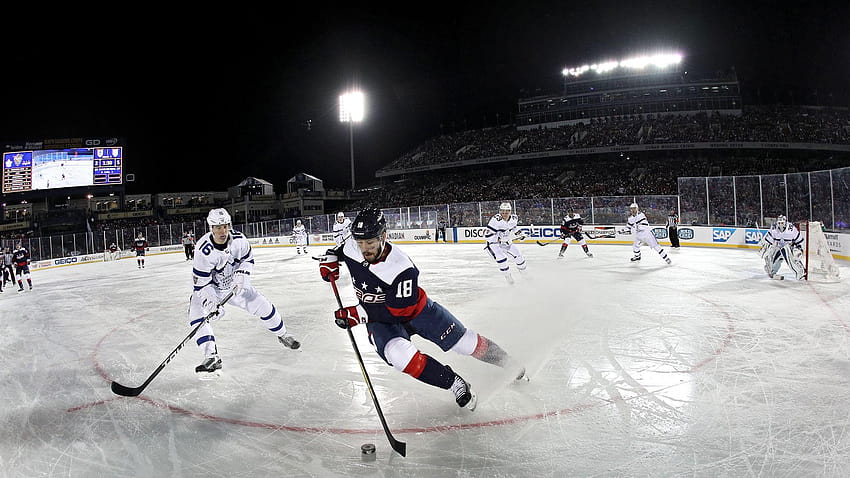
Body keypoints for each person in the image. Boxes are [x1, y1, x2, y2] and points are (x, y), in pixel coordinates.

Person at [318, 208, 527, 411]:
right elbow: (339, 251)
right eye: (360, 243)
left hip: (416, 311)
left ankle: (509, 363)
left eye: (370, 243)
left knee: (465, 343)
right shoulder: (353, 247)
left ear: (383, 236)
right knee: (399, 356)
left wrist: (360, 314)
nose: (365, 249)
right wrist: (330, 259)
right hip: (380, 321)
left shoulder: (401, 268)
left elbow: (398, 311)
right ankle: (454, 383)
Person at [190, 208, 300, 378]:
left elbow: (248, 259)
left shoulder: (239, 240)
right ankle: (211, 356)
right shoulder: (203, 250)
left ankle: (283, 335)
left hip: (235, 286)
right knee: (197, 316)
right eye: (218, 227)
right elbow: (201, 284)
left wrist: (243, 273)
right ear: (211, 228)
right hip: (211, 289)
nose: (222, 231)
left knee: (263, 306)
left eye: (225, 226)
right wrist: (211, 302)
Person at [484, 202, 527, 284]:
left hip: (506, 242)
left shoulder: (514, 218)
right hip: (494, 244)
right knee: (501, 259)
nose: (504, 214)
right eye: (502, 212)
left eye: (507, 212)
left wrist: (520, 234)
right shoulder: (495, 220)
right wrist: (500, 239)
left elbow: (514, 228)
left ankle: (525, 275)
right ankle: (508, 278)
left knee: (519, 256)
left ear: (510, 211)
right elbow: (488, 235)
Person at [759, 215, 805, 280]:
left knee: (787, 253)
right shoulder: (774, 228)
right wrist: (765, 249)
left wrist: (799, 249)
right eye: (779, 223)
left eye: (782, 223)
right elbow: (769, 241)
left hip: (789, 249)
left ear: (785, 223)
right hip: (779, 248)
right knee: (771, 258)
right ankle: (772, 270)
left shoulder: (791, 229)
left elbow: (800, 240)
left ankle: (800, 271)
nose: (780, 225)